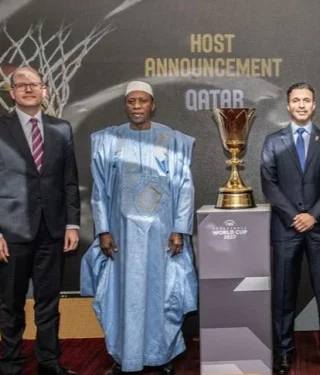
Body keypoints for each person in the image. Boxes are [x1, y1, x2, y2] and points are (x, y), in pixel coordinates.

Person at [80, 81, 198, 375]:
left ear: (152, 104)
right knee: (124, 296)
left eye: (142, 101)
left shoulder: (172, 140)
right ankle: (125, 356)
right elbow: (100, 189)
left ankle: (161, 354)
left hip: (162, 236)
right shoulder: (108, 140)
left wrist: (179, 229)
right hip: (122, 238)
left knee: (162, 294)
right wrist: (103, 230)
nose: (136, 107)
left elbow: (184, 187)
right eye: (131, 101)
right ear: (126, 105)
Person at [0, 66, 80, 375]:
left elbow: (69, 182)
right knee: (11, 305)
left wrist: (72, 224)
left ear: (45, 90)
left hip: (52, 233)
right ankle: (11, 364)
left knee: (48, 303)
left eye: (34, 84)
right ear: (12, 93)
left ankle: (49, 362)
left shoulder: (62, 129)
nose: (28, 89)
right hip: (10, 235)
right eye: (21, 85)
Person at [260, 82, 320, 375]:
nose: (301, 105)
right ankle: (283, 352)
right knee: (284, 295)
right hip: (286, 229)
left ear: (314, 105)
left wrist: (313, 216)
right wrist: (296, 216)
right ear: (288, 105)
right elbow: (269, 185)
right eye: (296, 100)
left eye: (306, 100)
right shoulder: (273, 141)